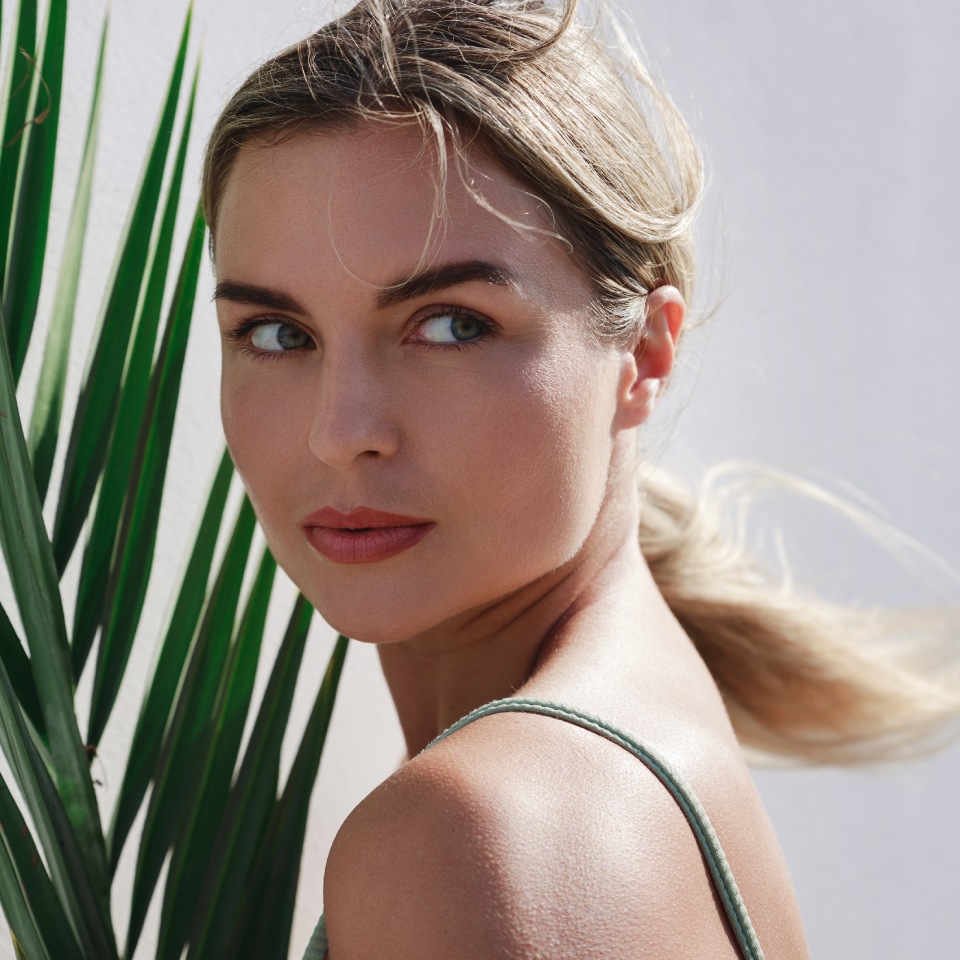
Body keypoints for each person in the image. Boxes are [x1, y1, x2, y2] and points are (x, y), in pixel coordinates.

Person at [201, 0, 959, 956]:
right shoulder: (627, 740)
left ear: (644, 352)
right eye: (277, 334)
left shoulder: (480, 834)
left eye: (451, 324)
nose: (341, 434)